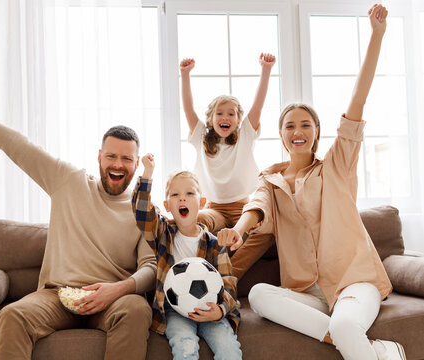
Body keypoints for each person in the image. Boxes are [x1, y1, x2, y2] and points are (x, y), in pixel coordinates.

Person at [217, 4, 406, 360]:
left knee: (348, 325)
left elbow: (357, 102)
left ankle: (352, 338)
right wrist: (238, 232)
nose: (298, 130)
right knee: (258, 294)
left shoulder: (336, 166)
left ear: (317, 132)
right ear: (281, 135)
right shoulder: (270, 180)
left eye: (306, 124)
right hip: (306, 293)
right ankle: (377, 351)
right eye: (290, 125)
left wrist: (377, 36)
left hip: (353, 284)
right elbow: (254, 209)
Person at [0, 84, 157, 360]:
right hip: (57, 296)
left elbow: (150, 267)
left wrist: (117, 290)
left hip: (113, 299)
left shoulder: (143, 210)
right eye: (111, 156)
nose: (118, 164)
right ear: (99, 157)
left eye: (126, 158)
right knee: (13, 315)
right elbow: (18, 146)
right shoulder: (68, 181)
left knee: (137, 309)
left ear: (137, 163)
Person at [132, 153, 241, 360]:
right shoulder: (163, 234)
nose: (182, 198)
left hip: (211, 310)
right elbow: (142, 214)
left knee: (229, 350)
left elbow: (229, 283)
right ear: (166, 206)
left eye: (189, 193)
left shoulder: (216, 244)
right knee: (185, 348)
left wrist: (220, 310)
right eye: (175, 195)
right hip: (175, 311)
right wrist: (147, 173)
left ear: (202, 202)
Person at [180, 54, 276, 277]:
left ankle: (228, 275)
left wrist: (266, 70)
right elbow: (188, 109)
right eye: (220, 113)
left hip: (244, 209)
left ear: (239, 120)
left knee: (266, 233)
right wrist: (185, 75)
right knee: (195, 220)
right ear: (211, 119)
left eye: (231, 114)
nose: (225, 117)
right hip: (214, 208)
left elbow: (258, 106)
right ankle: (193, 272)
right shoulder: (202, 139)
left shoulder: (245, 136)